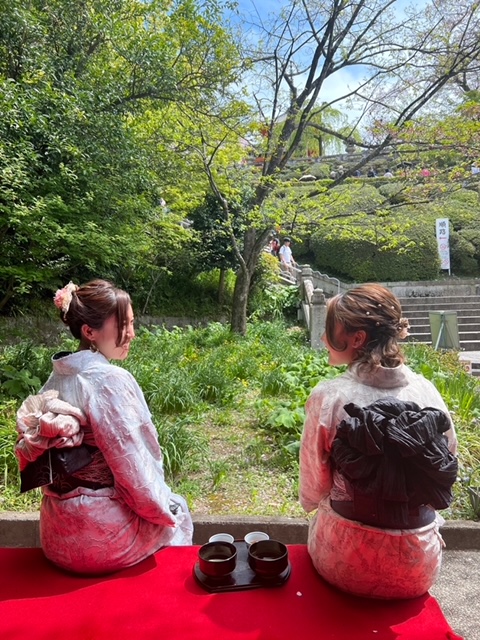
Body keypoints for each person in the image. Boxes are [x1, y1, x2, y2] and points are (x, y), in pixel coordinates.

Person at [15, 279, 193, 574]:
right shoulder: (110, 379)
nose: (132, 334)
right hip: (106, 540)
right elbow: (134, 469)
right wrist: (164, 510)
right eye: (124, 324)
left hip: (57, 536)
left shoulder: (55, 379)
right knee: (177, 512)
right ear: (89, 332)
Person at [299, 284, 458, 599]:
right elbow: (448, 460)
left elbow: (314, 489)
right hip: (419, 568)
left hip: (344, 564)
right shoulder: (427, 392)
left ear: (356, 339)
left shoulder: (329, 397)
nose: (322, 339)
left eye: (329, 331)